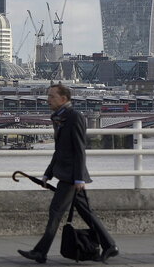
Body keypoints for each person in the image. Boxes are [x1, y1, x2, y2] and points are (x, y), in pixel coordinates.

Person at [18, 83, 118, 264]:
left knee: (55, 213)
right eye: (48, 96)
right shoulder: (58, 117)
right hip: (65, 174)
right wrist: (47, 174)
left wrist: (79, 178)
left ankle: (40, 252)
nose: (48, 100)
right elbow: (59, 150)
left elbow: (80, 149)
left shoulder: (75, 117)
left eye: (51, 97)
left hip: (71, 177)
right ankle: (110, 245)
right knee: (87, 213)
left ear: (63, 99)